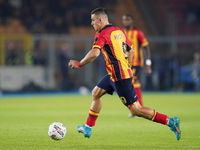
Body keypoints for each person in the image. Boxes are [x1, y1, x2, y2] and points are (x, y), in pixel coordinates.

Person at [68, 7, 181, 140]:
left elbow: (95, 53)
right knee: (96, 93)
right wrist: (127, 66)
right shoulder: (118, 31)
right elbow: (131, 51)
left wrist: (79, 63)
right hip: (115, 75)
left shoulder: (102, 33)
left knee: (136, 110)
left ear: (100, 19)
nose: (91, 23)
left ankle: (170, 121)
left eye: (93, 20)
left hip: (120, 77)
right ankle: (88, 127)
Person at [122, 14, 151, 111]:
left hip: (135, 63)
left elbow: (146, 47)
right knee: (130, 83)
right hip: (125, 63)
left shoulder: (138, 33)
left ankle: (139, 108)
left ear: (132, 21)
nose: (126, 22)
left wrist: (148, 63)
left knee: (132, 81)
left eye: (128, 20)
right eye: (124, 20)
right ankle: (136, 107)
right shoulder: (121, 33)